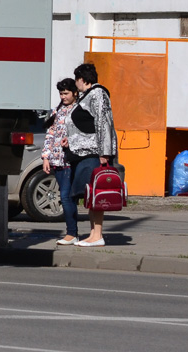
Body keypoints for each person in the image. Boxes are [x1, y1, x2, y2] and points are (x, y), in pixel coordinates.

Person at [65, 61, 117, 247]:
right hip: (83, 154)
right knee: (89, 195)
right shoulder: (87, 96)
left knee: (96, 194)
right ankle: (93, 234)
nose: (75, 83)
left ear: (82, 79)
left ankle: (98, 235)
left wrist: (105, 153)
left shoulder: (97, 94)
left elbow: (104, 123)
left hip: (94, 154)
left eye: (76, 79)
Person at [41, 78, 80, 245]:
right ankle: (72, 232)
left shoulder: (79, 110)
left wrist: (71, 141)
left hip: (69, 160)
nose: (63, 96)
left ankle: (72, 233)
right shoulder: (57, 110)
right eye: (61, 93)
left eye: (66, 93)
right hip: (56, 160)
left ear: (75, 93)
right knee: (65, 197)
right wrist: (45, 157)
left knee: (66, 196)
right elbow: (50, 134)